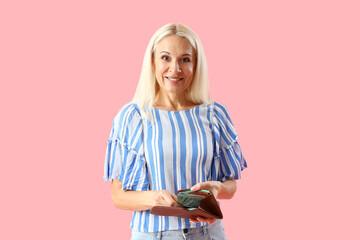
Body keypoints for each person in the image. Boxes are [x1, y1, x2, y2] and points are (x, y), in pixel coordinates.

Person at [103, 23, 247, 240]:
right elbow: (117, 196)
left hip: (208, 233)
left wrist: (217, 188)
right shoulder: (133, 117)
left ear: (195, 65)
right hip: (153, 234)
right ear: (152, 62)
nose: (175, 69)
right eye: (165, 58)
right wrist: (155, 198)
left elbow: (231, 186)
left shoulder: (215, 115)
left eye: (185, 59)